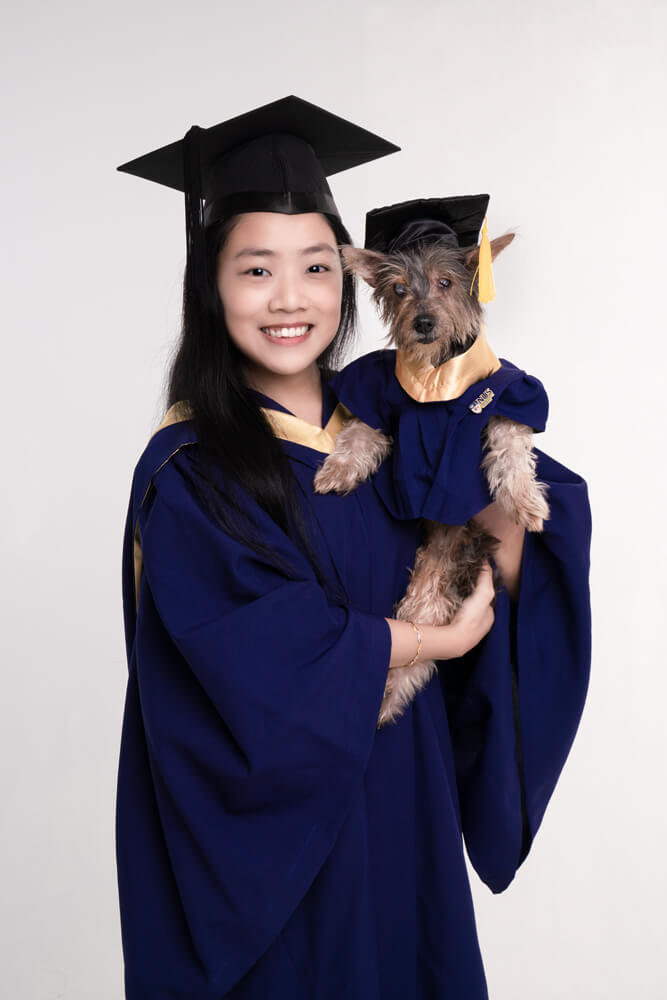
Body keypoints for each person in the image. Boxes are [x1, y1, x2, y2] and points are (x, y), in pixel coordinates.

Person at [116, 96, 592, 999]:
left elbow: (537, 527)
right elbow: (255, 653)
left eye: (315, 266)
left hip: (407, 807)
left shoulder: (392, 418)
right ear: (211, 286)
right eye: (255, 270)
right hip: (285, 856)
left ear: (349, 281)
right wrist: (432, 640)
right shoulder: (190, 468)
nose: (289, 298)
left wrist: (502, 521)